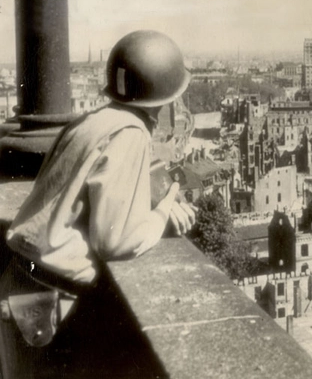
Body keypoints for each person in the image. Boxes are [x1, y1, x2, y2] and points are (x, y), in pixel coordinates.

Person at [0, 30, 196, 378]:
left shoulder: (94, 120)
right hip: (53, 302)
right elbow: (116, 241)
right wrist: (163, 211)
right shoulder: (131, 133)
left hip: (22, 283)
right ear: (164, 98)